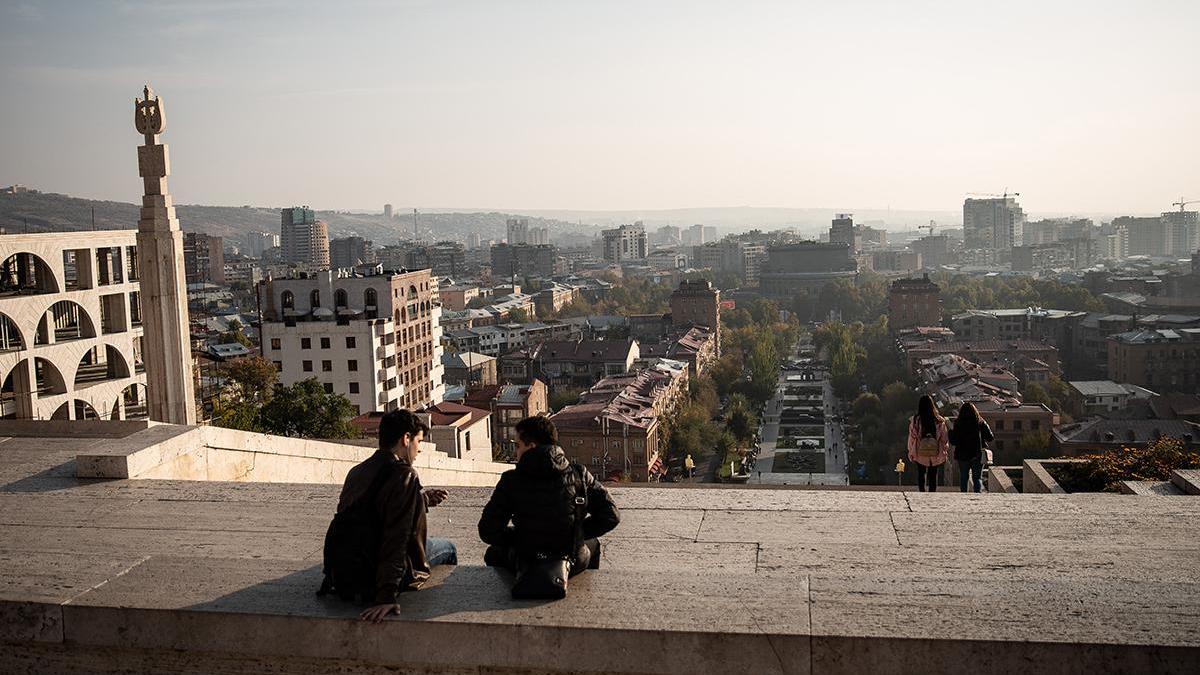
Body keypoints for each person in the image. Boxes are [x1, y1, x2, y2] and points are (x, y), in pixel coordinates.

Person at [332, 409, 457, 623]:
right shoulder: (405, 474)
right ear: (405, 439)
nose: (419, 450)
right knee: (448, 548)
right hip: (377, 572)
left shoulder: (357, 471)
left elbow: (373, 509)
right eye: (418, 441)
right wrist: (386, 594)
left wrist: (422, 500)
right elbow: (398, 536)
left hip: (345, 571)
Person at [478, 415, 620, 580]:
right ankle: (576, 585)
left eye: (517, 445)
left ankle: (521, 582)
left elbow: (488, 531)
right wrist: (575, 533)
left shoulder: (511, 480)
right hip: (570, 558)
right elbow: (611, 515)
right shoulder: (579, 474)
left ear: (531, 447)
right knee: (592, 544)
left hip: (527, 557)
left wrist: (523, 536)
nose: (515, 451)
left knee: (494, 553)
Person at [906, 394, 949, 492]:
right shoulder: (939, 421)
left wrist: (911, 451)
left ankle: (922, 491)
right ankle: (932, 493)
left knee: (921, 473)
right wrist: (944, 450)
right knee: (933, 475)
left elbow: (912, 438)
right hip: (935, 451)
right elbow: (944, 438)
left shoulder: (916, 420)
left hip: (919, 451)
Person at [950, 401, 994, 493]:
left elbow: (954, 441)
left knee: (963, 476)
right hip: (977, 454)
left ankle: (963, 495)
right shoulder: (980, 422)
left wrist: (950, 433)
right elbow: (990, 437)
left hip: (962, 454)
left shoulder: (958, 423)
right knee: (977, 478)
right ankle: (977, 495)